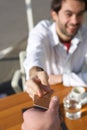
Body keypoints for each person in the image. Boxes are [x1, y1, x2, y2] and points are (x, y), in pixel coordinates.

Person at [24, 0, 87, 99]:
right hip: (46, 94)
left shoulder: (85, 33)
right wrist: (35, 72)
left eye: (79, 14)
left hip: (74, 96)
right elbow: (34, 54)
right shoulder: (42, 30)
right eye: (68, 14)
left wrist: (62, 78)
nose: (74, 21)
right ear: (54, 15)